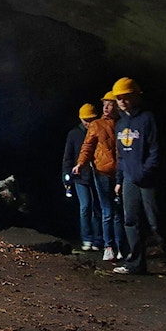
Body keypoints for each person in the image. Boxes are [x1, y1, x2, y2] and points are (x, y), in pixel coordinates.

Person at [111, 77, 166, 277]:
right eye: (118, 98)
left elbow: (156, 150)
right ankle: (136, 264)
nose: (122, 101)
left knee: (157, 221)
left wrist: (146, 172)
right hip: (130, 179)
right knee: (131, 221)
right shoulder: (120, 125)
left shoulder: (148, 119)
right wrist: (120, 180)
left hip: (149, 179)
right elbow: (121, 155)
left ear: (135, 96)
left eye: (125, 97)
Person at [72, 91, 128, 262]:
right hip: (102, 172)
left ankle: (121, 247)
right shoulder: (97, 125)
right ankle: (108, 246)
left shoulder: (123, 124)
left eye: (110, 104)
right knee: (107, 211)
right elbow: (87, 146)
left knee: (119, 212)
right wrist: (80, 163)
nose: (106, 107)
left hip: (120, 173)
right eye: (104, 104)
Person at [63, 103, 103, 252]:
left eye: (91, 119)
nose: (89, 123)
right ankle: (87, 238)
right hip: (80, 177)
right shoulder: (74, 134)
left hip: (97, 175)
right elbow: (68, 156)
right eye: (86, 120)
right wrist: (66, 176)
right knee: (85, 207)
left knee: (98, 208)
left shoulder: (99, 130)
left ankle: (98, 239)